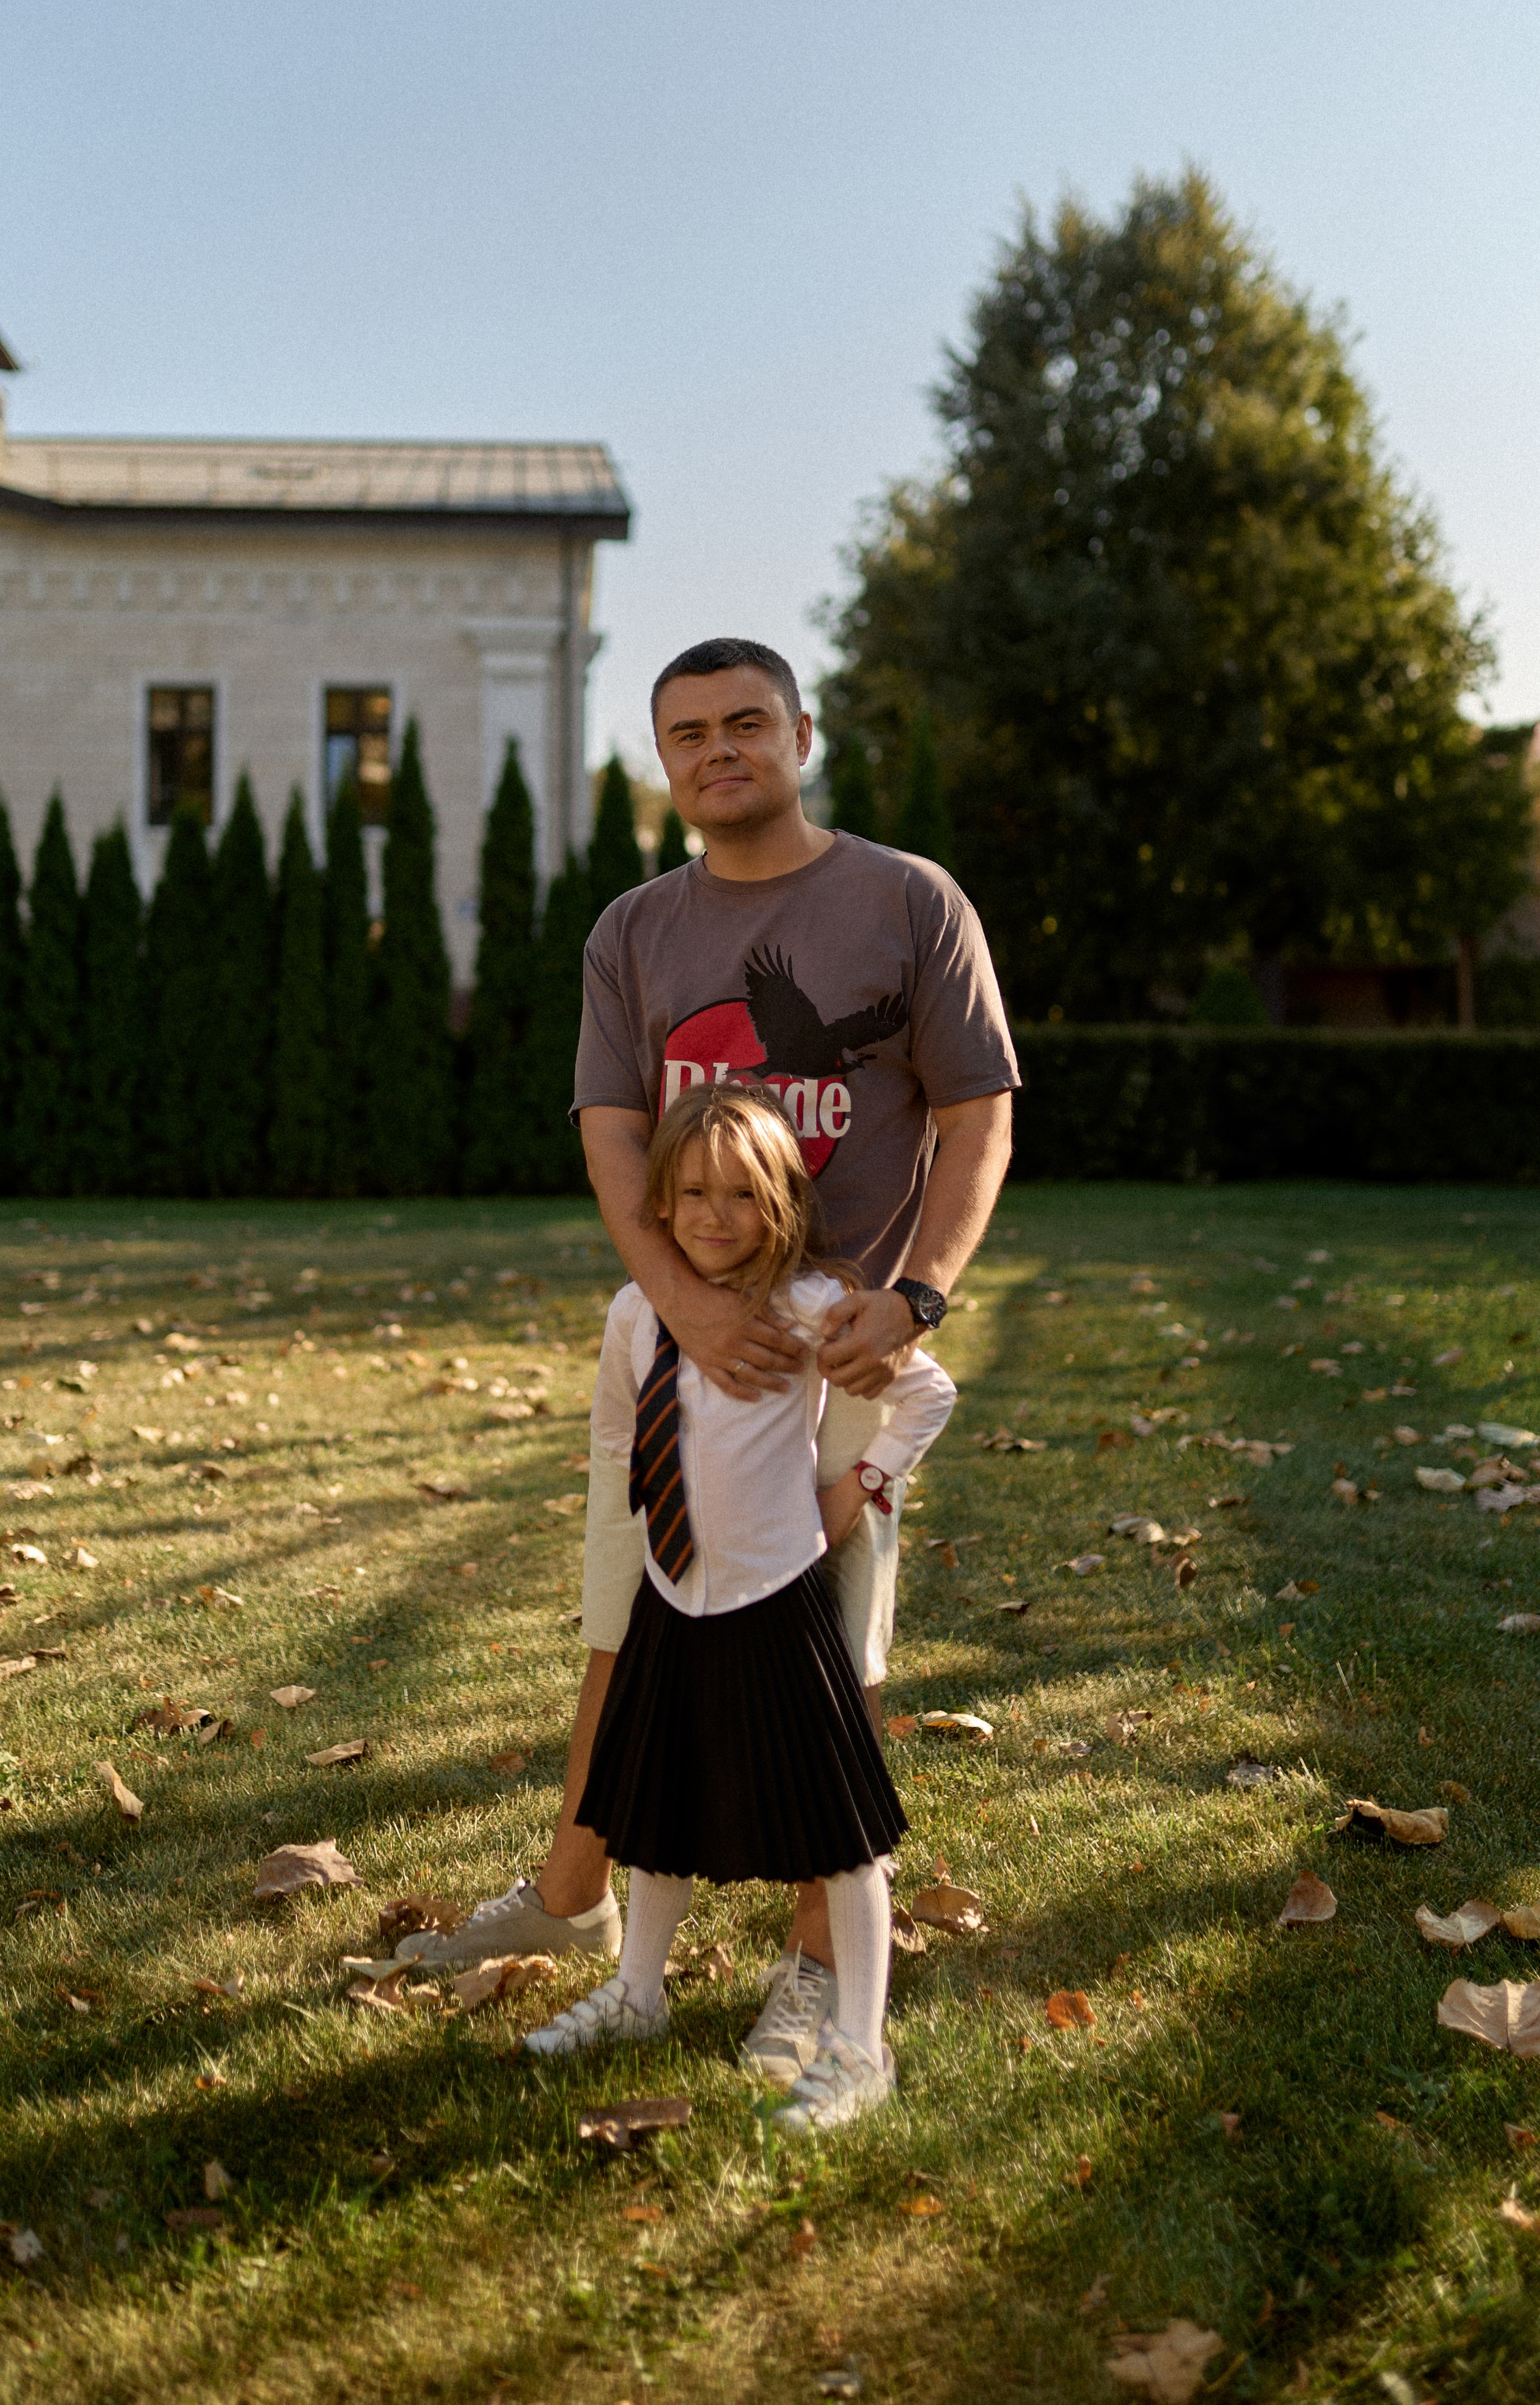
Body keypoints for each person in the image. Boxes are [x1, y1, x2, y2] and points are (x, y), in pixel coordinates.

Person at [397, 634, 1017, 2081]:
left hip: (827, 1357)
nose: (717, 750)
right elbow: (614, 1132)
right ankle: (570, 1898)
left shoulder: (908, 902)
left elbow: (978, 1114)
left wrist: (914, 1296)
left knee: (827, 1667)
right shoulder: (633, 928)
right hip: (676, 1355)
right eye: (687, 734)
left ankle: (815, 1963)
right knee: (625, 1633)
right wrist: (675, 1300)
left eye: (746, 723)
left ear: (800, 734)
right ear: (664, 761)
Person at [519, 1081, 957, 2127]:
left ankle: (859, 2047)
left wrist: (860, 1486)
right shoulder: (638, 1312)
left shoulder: (812, 1307)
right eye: (692, 1193)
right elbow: (628, 1430)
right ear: (658, 1207)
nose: (716, 1215)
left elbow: (927, 1391)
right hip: (676, 1591)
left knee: (841, 1832)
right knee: (660, 1809)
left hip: (776, 1600)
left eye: (743, 1196)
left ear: (783, 1207)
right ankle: (637, 1995)